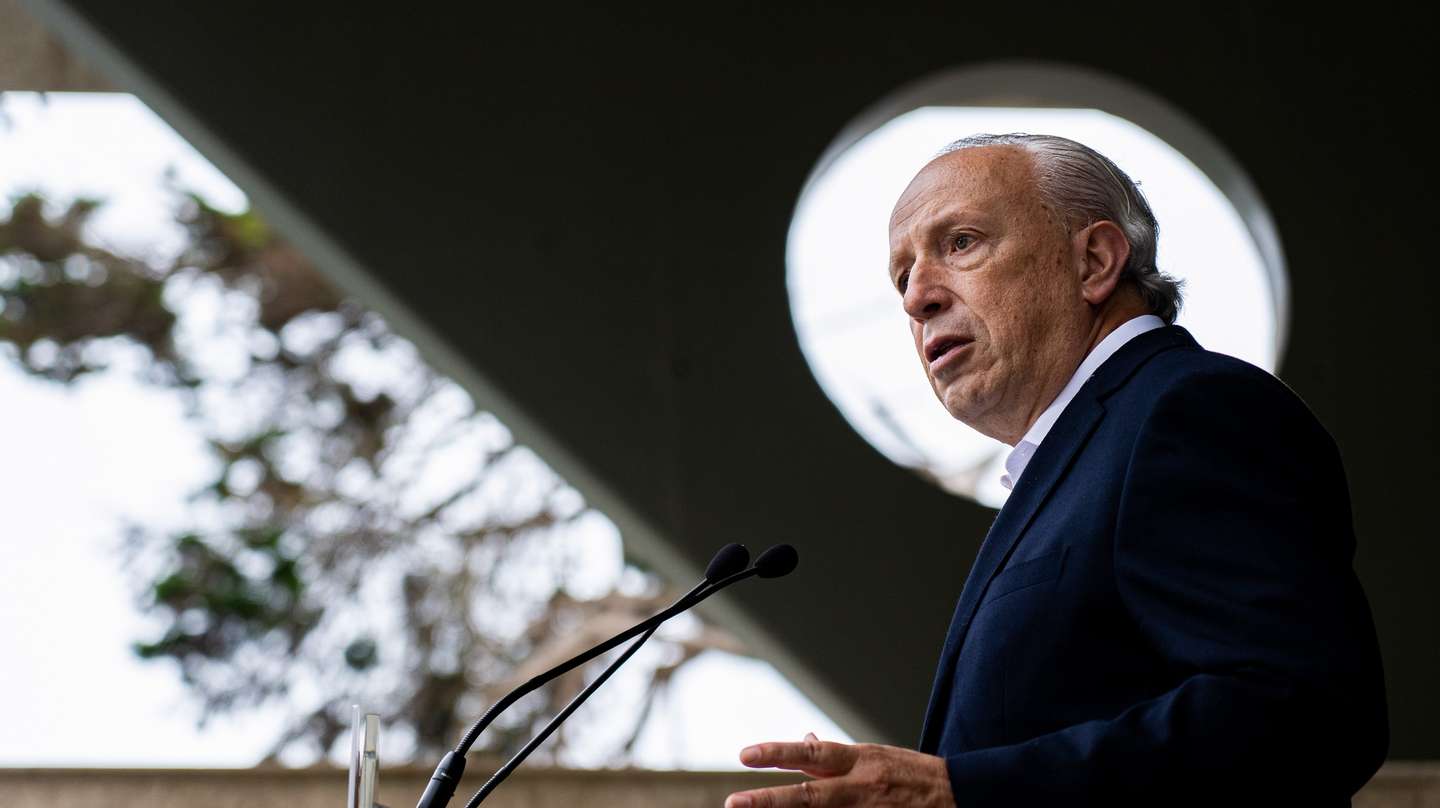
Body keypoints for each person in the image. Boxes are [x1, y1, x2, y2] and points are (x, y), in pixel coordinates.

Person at [724, 134, 1388, 807]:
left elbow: (1305, 710)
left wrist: (960, 791)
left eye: (960, 243)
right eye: (902, 275)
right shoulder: (1073, 459)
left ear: (1094, 262)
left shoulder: (1188, 412)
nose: (916, 297)